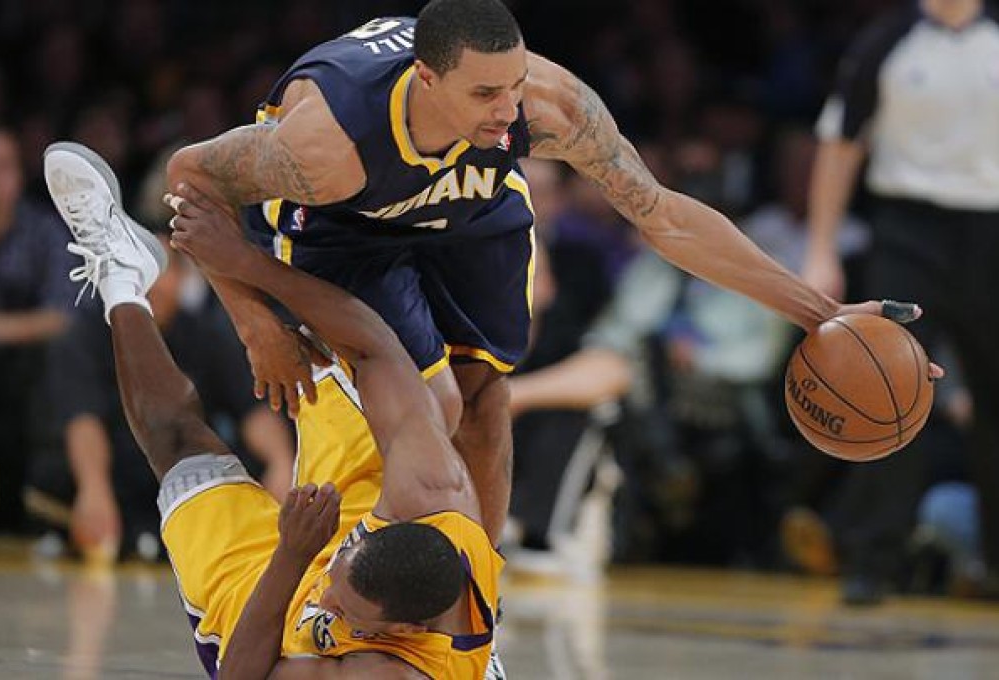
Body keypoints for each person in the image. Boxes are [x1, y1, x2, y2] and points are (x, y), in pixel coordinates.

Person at [165, 0, 916, 548]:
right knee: (436, 412)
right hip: (344, 223)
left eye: (513, 85)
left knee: (488, 401)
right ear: (425, 79)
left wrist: (822, 313)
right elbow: (190, 175)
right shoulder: (324, 145)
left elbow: (664, 216)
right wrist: (254, 320)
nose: (508, 111)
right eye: (485, 94)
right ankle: (370, 596)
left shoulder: (545, 106)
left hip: (465, 207)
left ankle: (478, 613)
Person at [45, 142, 505, 678]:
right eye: (340, 566)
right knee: (426, 392)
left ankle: (120, 273)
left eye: (339, 602)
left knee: (176, 447)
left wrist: (292, 557)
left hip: (278, 617)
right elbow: (377, 346)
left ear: (395, 632)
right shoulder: (433, 492)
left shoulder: (376, 672)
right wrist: (247, 276)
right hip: (378, 554)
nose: (326, 584)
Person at [802, 0, 999, 604]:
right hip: (909, 231)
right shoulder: (887, 41)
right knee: (888, 387)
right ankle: (871, 558)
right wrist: (821, 247)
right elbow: (840, 143)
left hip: (992, 230)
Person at [27, 233, 295, 563]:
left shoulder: (209, 334)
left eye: (161, 270)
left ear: (181, 278)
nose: (150, 285)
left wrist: (281, 463)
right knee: (50, 478)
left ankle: (149, 538)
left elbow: (253, 408)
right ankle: (119, 532)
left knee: (248, 470)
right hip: (116, 471)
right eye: (137, 271)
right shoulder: (84, 335)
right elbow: (84, 419)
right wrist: (93, 488)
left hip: (186, 473)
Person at [0, 123, 77, 532]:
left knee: (65, 359)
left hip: (27, 388)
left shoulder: (45, 232)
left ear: (18, 175)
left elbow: (66, 317)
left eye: (1, 167)